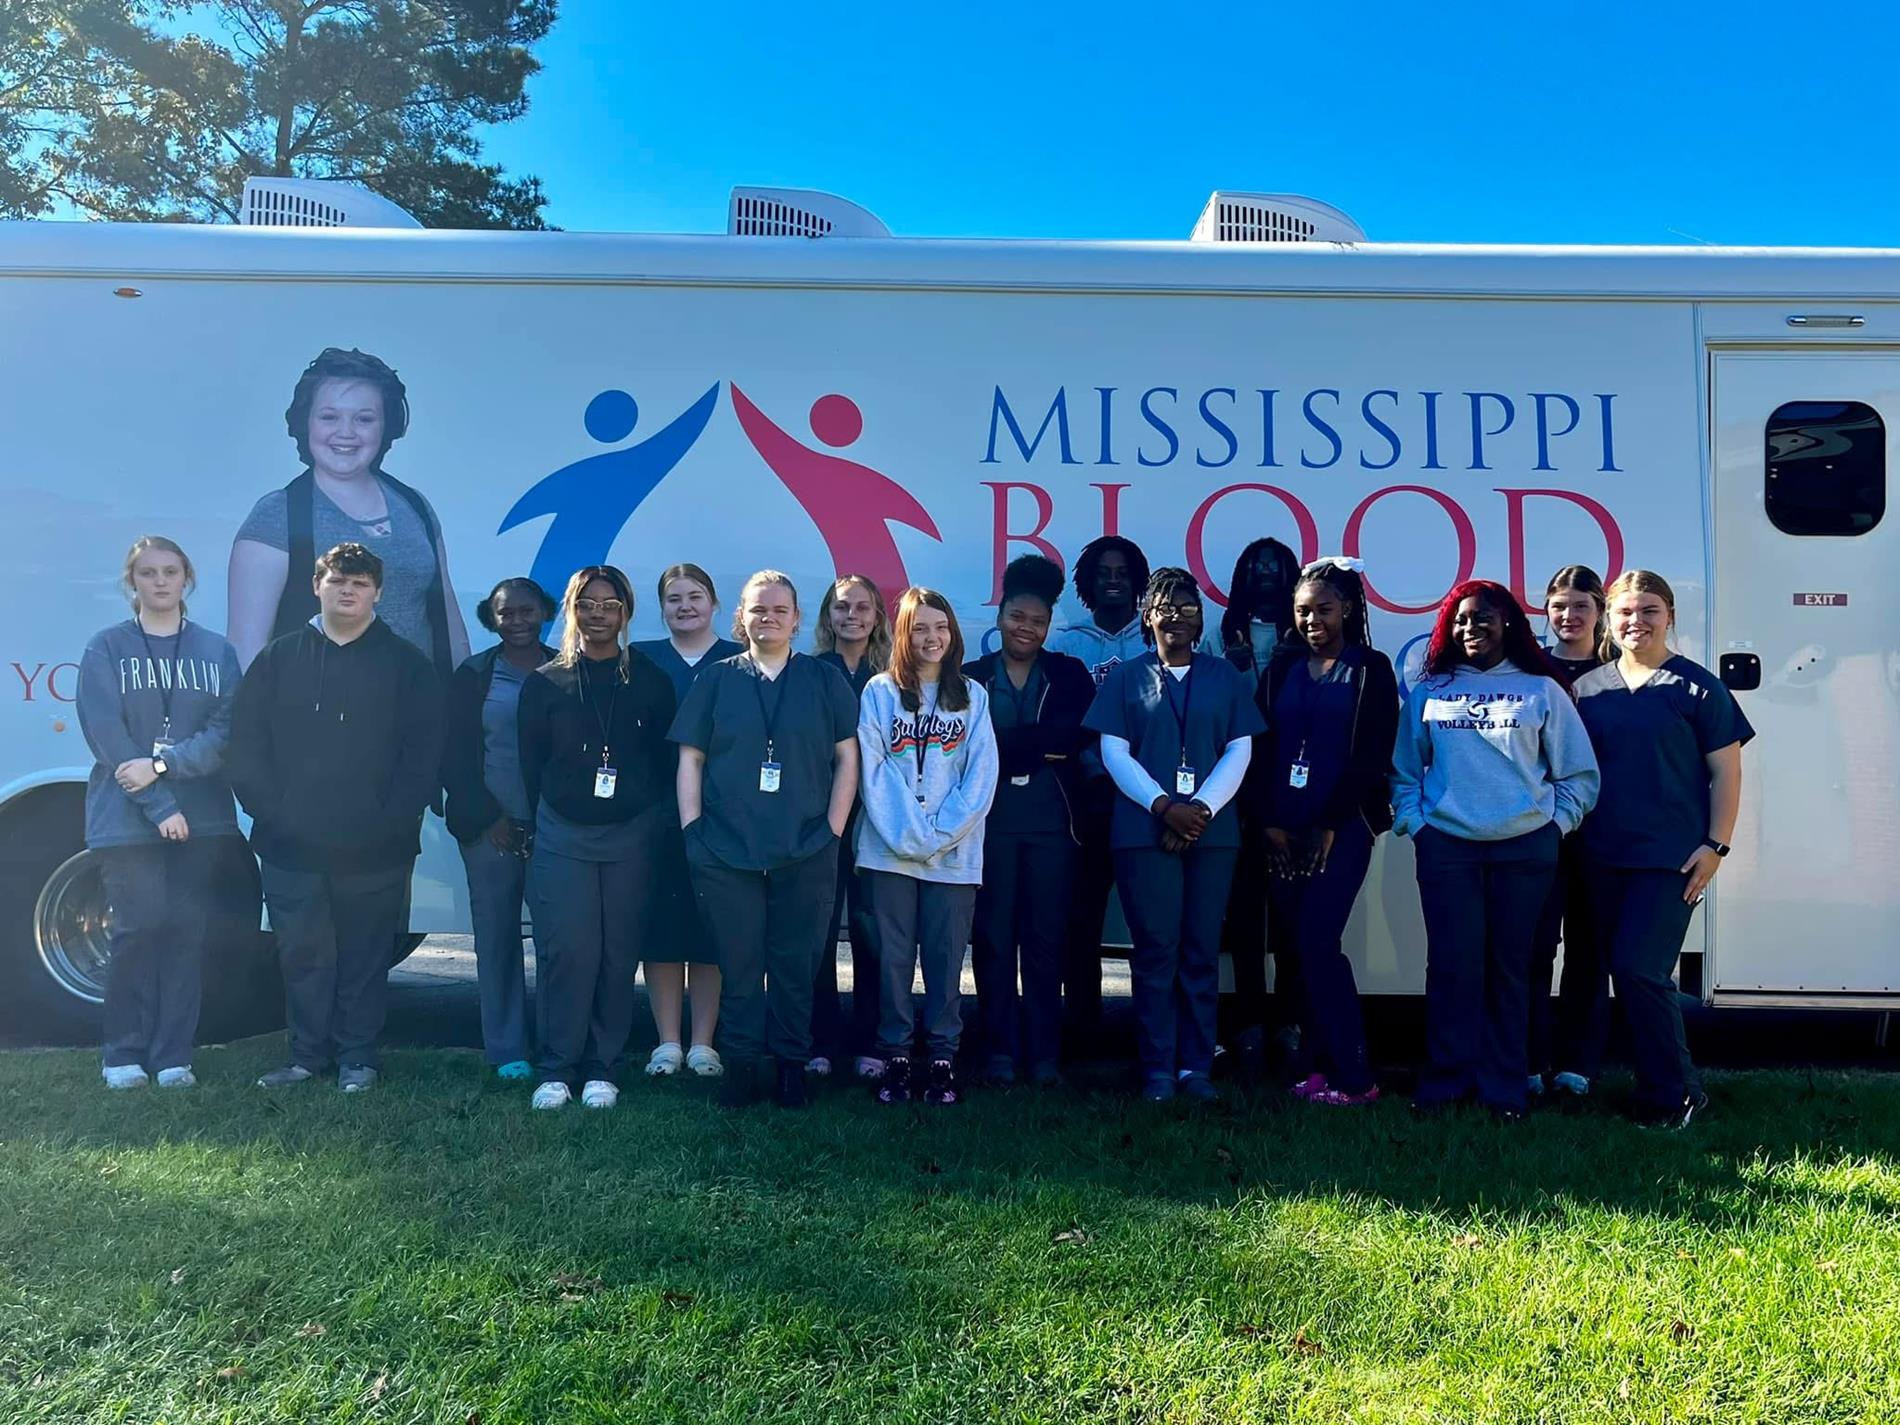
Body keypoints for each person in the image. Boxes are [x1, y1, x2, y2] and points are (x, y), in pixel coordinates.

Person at [228, 542, 443, 1093]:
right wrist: (272, 815)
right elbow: (246, 747)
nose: (348, 591)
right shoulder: (278, 659)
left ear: (377, 592)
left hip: (377, 848)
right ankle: (305, 1057)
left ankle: (358, 1060)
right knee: (302, 955)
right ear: (316, 586)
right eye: (337, 580)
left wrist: (391, 822)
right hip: (289, 845)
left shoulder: (407, 666)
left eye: (360, 583)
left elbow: (423, 757)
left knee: (365, 958)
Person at [1391, 579, 1600, 1120]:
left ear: (1507, 623)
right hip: (1448, 849)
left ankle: (1504, 1087)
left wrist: (1554, 827)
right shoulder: (1431, 691)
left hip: (1525, 850)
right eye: (1460, 620)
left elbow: (1579, 774)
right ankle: (1445, 1082)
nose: (1471, 628)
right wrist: (1418, 826)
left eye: (1482, 618)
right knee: (1452, 967)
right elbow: (1404, 772)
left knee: (1512, 970)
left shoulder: (1542, 690)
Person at [670, 571, 859, 1108]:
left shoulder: (824, 681)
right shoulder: (716, 679)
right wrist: (693, 831)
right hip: (726, 850)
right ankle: (742, 1066)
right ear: (741, 618)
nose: (768, 617)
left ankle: (791, 1069)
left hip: (807, 846)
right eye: (758, 609)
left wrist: (832, 832)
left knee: (797, 966)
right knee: (740, 966)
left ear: (797, 619)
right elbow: (692, 758)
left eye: (780, 609)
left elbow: (848, 757)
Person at [1574, 570, 1752, 1130]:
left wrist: (1716, 846)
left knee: (1639, 969)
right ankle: (1665, 1085)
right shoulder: (1588, 689)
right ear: (1610, 617)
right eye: (1626, 611)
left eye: (1650, 610)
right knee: (1613, 971)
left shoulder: (1699, 687)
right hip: (1598, 854)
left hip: (1670, 858)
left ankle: (1675, 1093)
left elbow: (1726, 771)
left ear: (1670, 617)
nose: (1637, 621)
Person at [1082, 568, 1263, 1102]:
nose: (1179, 616)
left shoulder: (1224, 676)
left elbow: (1240, 749)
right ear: (1148, 616)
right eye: (1167, 606)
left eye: (1189, 607)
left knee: (1201, 952)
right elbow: (1114, 753)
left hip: (1213, 832)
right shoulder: (1124, 676)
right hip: (1143, 831)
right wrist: (1164, 808)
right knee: (1157, 951)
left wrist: (1199, 810)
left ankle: (1195, 1068)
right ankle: (1158, 1067)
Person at [78, 537, 241, 1090]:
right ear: (133, 582)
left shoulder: (217, 651)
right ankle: (122, 1054)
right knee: (138, 929)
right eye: (148, 573)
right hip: (125, 822)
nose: (161, 582)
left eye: (171, 572)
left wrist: (165, 766)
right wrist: (160, 803)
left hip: (205, 820)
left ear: (187, 578)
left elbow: (226, 732)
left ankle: (175, 1057)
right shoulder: (106, 648)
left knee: (186, 934)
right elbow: (108, 736)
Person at [517, 566, 677, 1110]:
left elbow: (664, 759)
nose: (599, 613)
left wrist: (648, 820)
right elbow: (529, 762)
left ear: (626, 611)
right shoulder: (546, 680)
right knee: (568, 951)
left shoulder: (650, 679)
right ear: (571, 609)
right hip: (563, 833)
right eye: (588, 603)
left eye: (611, 604)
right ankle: (557, 1068)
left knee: (617, 952)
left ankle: (603, 1068)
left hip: (632, 835)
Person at [1252, 559, 1399, 1106]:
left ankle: (1357, 1077)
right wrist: (1267, 821)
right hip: (1282, 833)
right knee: (1299, 948)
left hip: (1342, 829)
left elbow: (1372, 755)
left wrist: (1329, 823)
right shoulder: (1282, 668)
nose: (1313, 619)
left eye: (1324, 609)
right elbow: (1261, 748)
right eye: (1303, 610)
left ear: (1349, 609)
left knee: (1318, 941)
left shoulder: (1371, 668)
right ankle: (1313, 1068)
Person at [228, 347, 470, 673]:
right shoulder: (276, 516)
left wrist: (463, 702)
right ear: (305, 423)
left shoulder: (415, 507)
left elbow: (449, 620)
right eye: (329, 417)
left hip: (418, 713)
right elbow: (247, 650)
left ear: (386, 427)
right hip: (316, 716)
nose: (346, 432)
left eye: (364, 419)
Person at [857, 588, 999, 1106]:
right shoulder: (878, 692)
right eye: (919, 628)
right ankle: (895, 1055)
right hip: (888, 852)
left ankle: (942, 1058)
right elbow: (874, 772)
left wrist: (939, 835)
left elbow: (981, 777)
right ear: (903, 634)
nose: (930, 637)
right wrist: (911, 836)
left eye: (940, 627)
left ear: (953, 633)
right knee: (892, 959)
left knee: (945, 959)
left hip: (955, 856)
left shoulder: (974, 696)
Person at [963, 556, 1094, 1087]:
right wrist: (1039, 747)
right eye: (1018, 616)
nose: (1026, 628)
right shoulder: (969, 678)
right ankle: (998, 1050)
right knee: (993, 938)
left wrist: (1009, 746)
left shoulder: (1068, 675)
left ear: (1049, 625)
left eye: (1038, 622)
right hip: (986, 827)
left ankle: (1043, 1054)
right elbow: (967, 748)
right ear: (1000, 615)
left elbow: (1075, 738)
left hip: (1053, 830)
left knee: (1045, 941)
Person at [632, 564, 744, 1078]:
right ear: (661, 609)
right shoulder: (641, 661)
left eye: (695, 596)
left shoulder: (738, 664)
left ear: (715, 603)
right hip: (652, 818)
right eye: (673, 598)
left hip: (722, 821)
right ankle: (667, 1042)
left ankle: (703, 1043)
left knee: (710, 930)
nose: (685, 606)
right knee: (660, 929)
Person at [443, 577, 556, 1080]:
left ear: (545, 613)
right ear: (492, 617)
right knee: (496, 942)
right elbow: (453, 756)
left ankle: (558, 1043)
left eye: (526, 611)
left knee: (560, 942)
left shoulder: (565, 669)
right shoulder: (473, 675)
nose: (516, 621)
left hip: (557, 833)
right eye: (505, 613)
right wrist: (488, 818)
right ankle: (507, 1050)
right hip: (490, 832)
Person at [1047, 534, 1151, 1053]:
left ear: (1137, 582)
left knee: (1147, 920)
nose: (1113, 579)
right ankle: (1083, 1027)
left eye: (1122, 572)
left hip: (1145, 801)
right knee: (1080, 918)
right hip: (1084, 800)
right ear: (1086, 584)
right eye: (1103, 573)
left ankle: (1147, 1031)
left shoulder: (1154, 641)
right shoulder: (1067, 644)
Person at [1218, 535, 1304, 1077]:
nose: (1268, 573)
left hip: (1295, 790)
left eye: (1277, 565)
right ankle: (1248, 1023)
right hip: (1236, 789)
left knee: (1294, 917)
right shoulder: (1223, 637)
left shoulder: (1310, 632)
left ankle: (1290, 1023)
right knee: (1246, 917)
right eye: (1258, 566)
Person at [1529, 564, 1611, 1101]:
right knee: (1535, 946)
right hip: (1543, 827)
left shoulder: (1619, 671)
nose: (1568, 616)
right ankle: (1530, 1060)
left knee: (1590, 949)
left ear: (1599, 611)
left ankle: (1578, 1064)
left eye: (1580, 605)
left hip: (1603, 831)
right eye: (1559, 605)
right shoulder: (1531, 670)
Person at [808, 574, 891, 1078]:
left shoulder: (894, 674)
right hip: (819, 821)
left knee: (872, 932)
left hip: (880, 822)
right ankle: (818, 1042)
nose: (852, 616)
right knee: (817, 933)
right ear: (827, 617)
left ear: (878, 616)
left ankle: (871, 1044)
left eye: (863, 607)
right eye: (842, 607)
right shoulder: (810, 671)